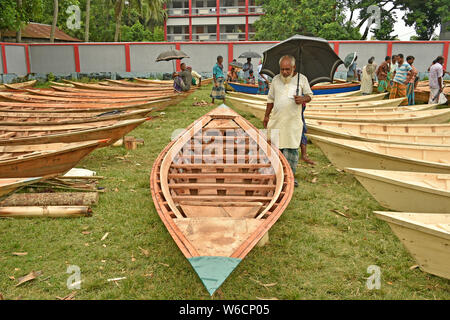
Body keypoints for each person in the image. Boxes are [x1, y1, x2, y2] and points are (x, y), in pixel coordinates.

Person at [263, 55, 313, 187]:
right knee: (275, 148)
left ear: (293, 67)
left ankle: (290, 177)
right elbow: (270, 99)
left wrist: (302, 99)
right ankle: (275, 175)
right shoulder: (275, 79)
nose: (284, 72)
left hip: (292, 122)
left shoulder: (302, 79)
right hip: (277, 120)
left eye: (287, 69)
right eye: (282, 69)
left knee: (291, 149)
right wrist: (266, 116)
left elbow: (310, 96)